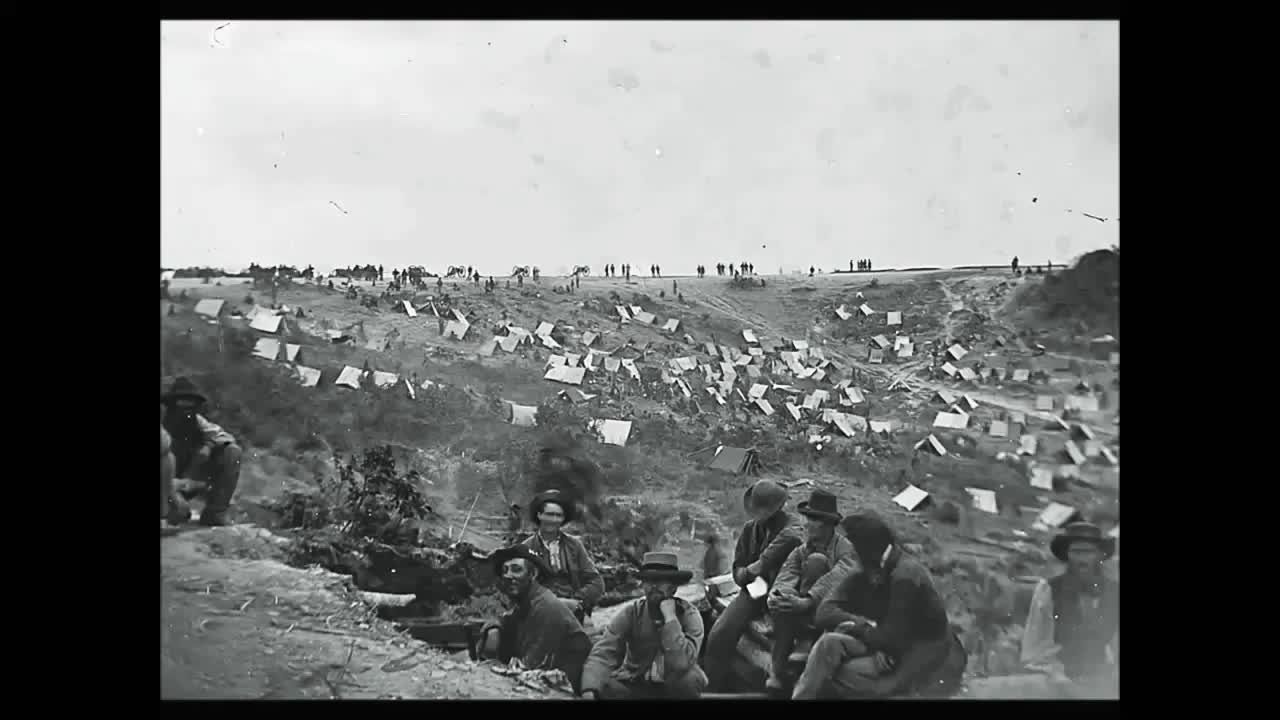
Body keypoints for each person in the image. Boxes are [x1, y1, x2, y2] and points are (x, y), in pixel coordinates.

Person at [793, 513, 965, 699]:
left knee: (842, 673)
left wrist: (858, 627)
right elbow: (825, 612)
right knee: (827, 645)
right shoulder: (868, 568)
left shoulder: (906, 576)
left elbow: (892, 639)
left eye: (854, 549)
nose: (851, 555)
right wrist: (858, 623)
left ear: (867, 549)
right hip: (880, 642)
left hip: (914, 654)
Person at [702, 479, 804, 691]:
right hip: (757, 588)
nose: (763, 518)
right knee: (721, 631)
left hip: (786, 589)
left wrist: (757, 566)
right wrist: (745, 574)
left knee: (785, 641)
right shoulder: (750, 530)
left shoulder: (792, 528)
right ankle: (713, 686)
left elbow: (789, 541)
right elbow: (739, 568)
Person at [580, 552, 708, 699]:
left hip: (673, 685)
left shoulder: (689, 616)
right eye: (649, 581)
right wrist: (589, 689)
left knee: (689, 680)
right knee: (604, 686)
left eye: (661, 581)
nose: (654, 586)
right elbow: (604, 653)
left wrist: (670, 619)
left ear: (673, 587)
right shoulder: (632, 613)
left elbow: (681, 664)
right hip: (637, 683)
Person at [765, 489, 856, 691]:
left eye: (813, 519)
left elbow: (836, 578)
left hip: (836, 614)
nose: (806, 523)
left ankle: (806, 639)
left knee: (817, 562)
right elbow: (786, 574)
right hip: (803, 612)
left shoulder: (846, 550)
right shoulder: (802, 550)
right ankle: (777, 669)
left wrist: (808, 600)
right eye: (807, 518)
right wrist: (779, 596)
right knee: (784, 597)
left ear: (827, 524)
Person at [1020, 522, 1118, 697]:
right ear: (1067, 555)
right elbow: (1034, 647)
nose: (1081, 559)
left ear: (1099, 555)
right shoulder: (1048, 590)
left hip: (1103, 682)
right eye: (1076, 552)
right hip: (1057, 682)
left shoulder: (1114, 592)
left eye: (1088, 552)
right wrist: (1057, 676)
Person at [480, 545, 590, 693]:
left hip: (566, 688)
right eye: (505, 570)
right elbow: (507, 619)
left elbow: (530, 666)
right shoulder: (527, 602)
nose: (508, 576)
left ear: (533, 574)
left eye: (516, 569)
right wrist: (493, 628)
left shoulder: (545, 606)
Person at [161, 378, 242, 527]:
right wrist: (173, 491)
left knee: (232, 452)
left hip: (186, 481)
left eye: (191, 403)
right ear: (172, 403)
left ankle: (215, 513)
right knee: (178, 515)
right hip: (166, 487)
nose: (187, 408)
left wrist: (209, 446)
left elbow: (226, 437)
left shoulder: (197, 422)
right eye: (182, 402)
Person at [521, 490, 604, 622]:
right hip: (539, 615)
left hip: (571, 613)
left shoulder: (574, 546)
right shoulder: (527, 547)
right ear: (539, 515)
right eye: (549, 515)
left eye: (558, 516)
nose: (554, 520)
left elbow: (596, 582)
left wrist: (577, 600)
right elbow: (521, 587)